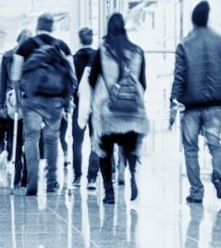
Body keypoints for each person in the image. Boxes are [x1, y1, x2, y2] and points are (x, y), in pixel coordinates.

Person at [170, 1, 221, 204]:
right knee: (214, 144)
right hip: (214, 105)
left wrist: (172, 102)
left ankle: (196, 192)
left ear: (193, 20)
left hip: (191, 107)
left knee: (191, 149)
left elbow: (179, 77)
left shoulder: (185, 44)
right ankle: (217, 171)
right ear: (208, 18)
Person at [80, 14, 148, 204]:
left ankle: (109, 192)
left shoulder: (102, 52)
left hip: (107, 111)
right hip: (132, 112)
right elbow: (143, 82)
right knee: (129, 148)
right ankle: (132, 175)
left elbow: (92, 79)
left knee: (105, 151)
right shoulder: (137, 52)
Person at [11, 14, 76, 196]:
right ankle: (52, 182)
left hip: (31, 99)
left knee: (31, 138)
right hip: (55, 100)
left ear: (37, 26)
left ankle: (32, 180)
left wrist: (18, 98)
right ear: (52, 27)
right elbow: (72, 77)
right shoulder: (62, 46)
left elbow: (15, 77)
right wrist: (67, 100)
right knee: (52, 139)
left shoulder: (25, 46)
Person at [0, 30, 31, 183]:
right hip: (31, 102)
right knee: (29, 138)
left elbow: (2, 82)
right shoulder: (35, 54)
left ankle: (18, 167)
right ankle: (27, 171)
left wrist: (2, 105)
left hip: (13, 102)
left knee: (14, 137)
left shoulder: (8, 55)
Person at [71, 27, 98, 189]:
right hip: (96, 105)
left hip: (77, 105)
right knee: (95, 141)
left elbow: (70, 83)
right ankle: (92, 178)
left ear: (80, 40)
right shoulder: (98, 58)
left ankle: (77, 176)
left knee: (77, 142)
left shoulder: (73, 60)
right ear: (92, 38)